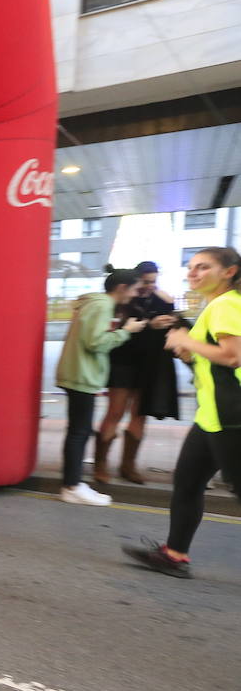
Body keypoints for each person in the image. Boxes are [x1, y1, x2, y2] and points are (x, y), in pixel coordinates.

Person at [124, 247, 241, 578]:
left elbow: (233, 356)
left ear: (229, 272)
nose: (194, 273)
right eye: (191, 267)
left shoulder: (227, 305)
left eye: (203, 267)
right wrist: (189, 350)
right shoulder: (214, 306)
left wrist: (185, 341)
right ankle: (175, 555)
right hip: (212, 416)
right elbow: (214, 357)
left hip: (233, 416)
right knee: (187, 483)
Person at [54, 269, 147, 505]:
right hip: (82, 376)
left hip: (79, 374)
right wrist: (126, 332)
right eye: (135, 289)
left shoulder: (95, 303)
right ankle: (71, 486)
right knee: (79, 432)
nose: (135, 294)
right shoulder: (102, 305)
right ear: (122, 288)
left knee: (79, 431)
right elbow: (95, 342)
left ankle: (73, 483)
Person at [96, 260, 179, 484]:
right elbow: (118, 334)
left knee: (140, 414)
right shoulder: (123, 300)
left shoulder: (160, 299)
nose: (150, 286)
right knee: (115, 412)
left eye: (154, 282)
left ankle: (128, 465)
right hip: (122, 362)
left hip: (149, 364)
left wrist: (170, 312)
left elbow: (172, 326)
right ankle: (100, 465)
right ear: (135, 280)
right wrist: (151, 325)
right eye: (145, 282)